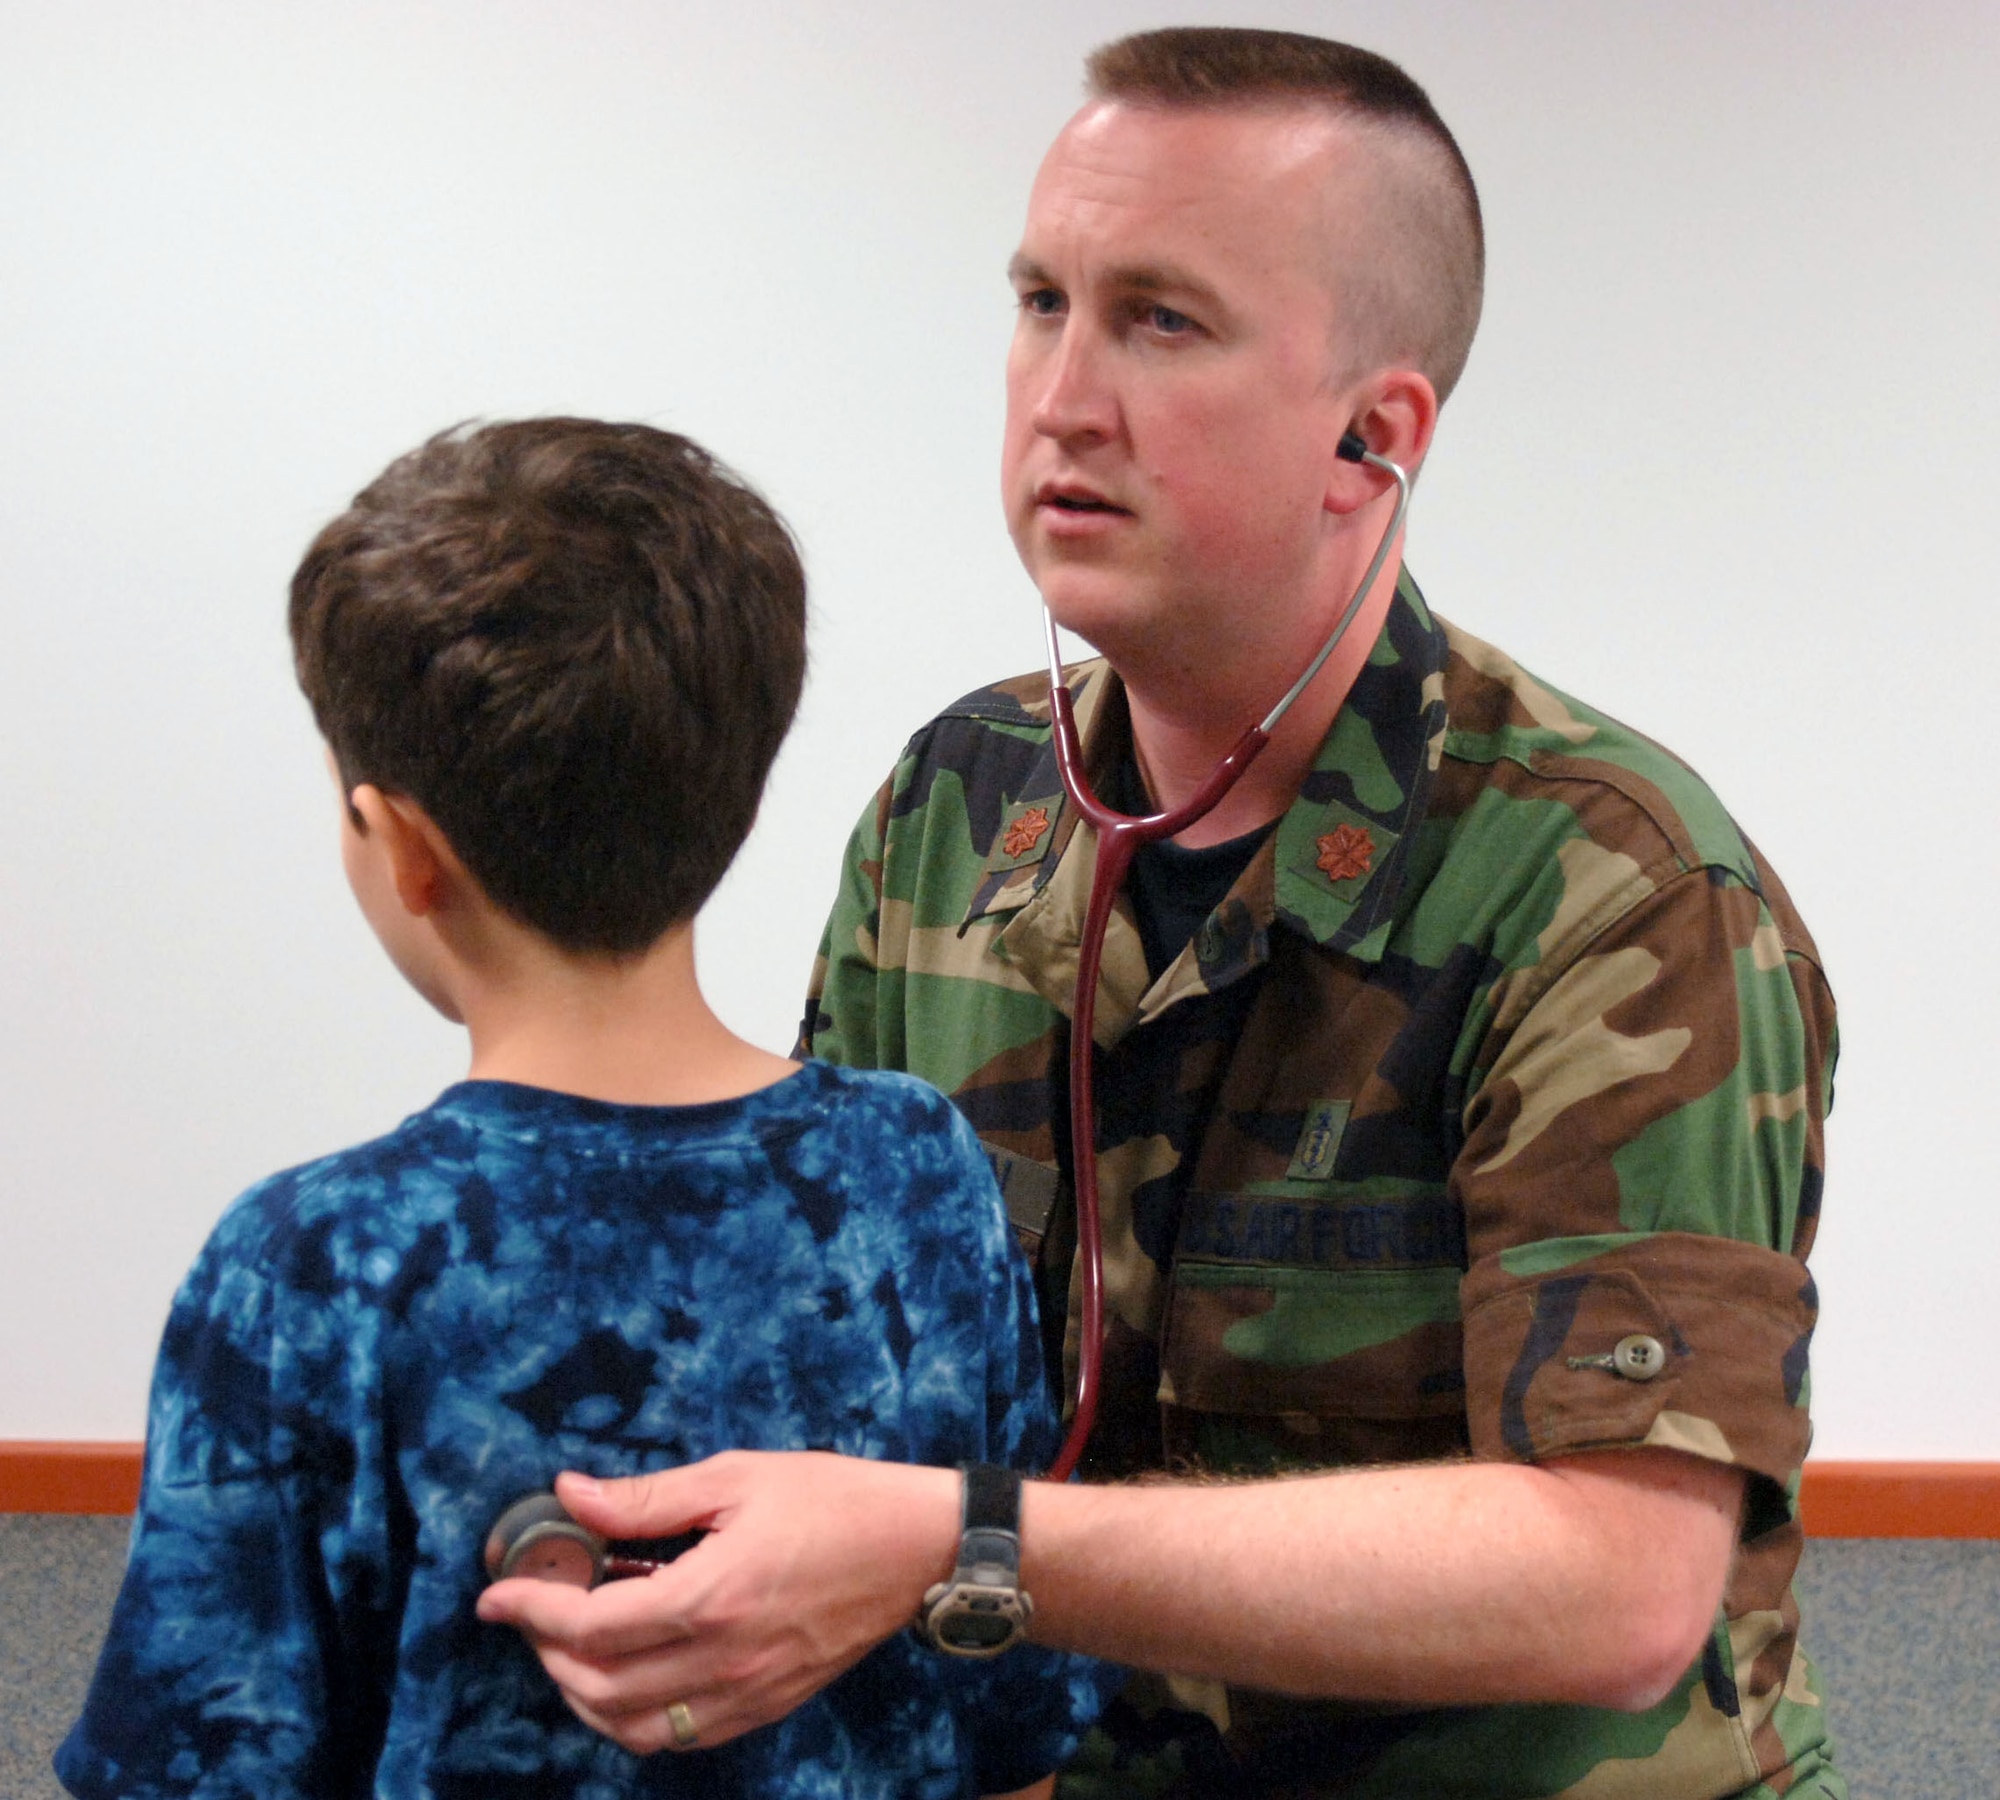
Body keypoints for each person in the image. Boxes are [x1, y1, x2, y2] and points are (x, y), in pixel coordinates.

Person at [479, 29, 1842, 1799]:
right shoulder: (952, 808)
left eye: (1162, 321)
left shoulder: (1618, 890)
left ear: (1373, 433)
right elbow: (839, 1330)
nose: (1063, 394)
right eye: (1043, 302)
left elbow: (1620, 1584)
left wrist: (957, 1548)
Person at [55, 418, 1116, 1800]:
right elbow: (1010, 1703)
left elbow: (197, 1761)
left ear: (408, 855)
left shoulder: (312, 1263)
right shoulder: (917, 1176)